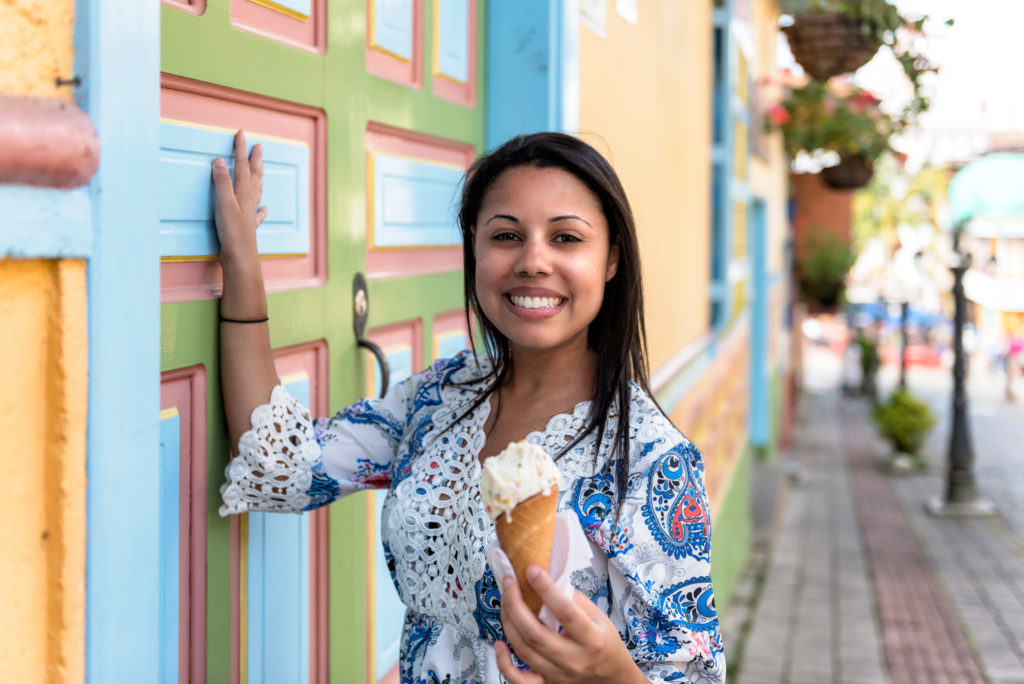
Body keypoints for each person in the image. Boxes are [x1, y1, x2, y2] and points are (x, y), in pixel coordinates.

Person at [213, 130, 726, 683]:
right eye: (506, 235)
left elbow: (693, 673)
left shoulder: (652, 459)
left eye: (566, 239)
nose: (533, 261)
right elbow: (281, 465)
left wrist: (614, 677)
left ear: (610, 261)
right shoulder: (442, 397)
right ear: (475, 250)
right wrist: (242, 263)